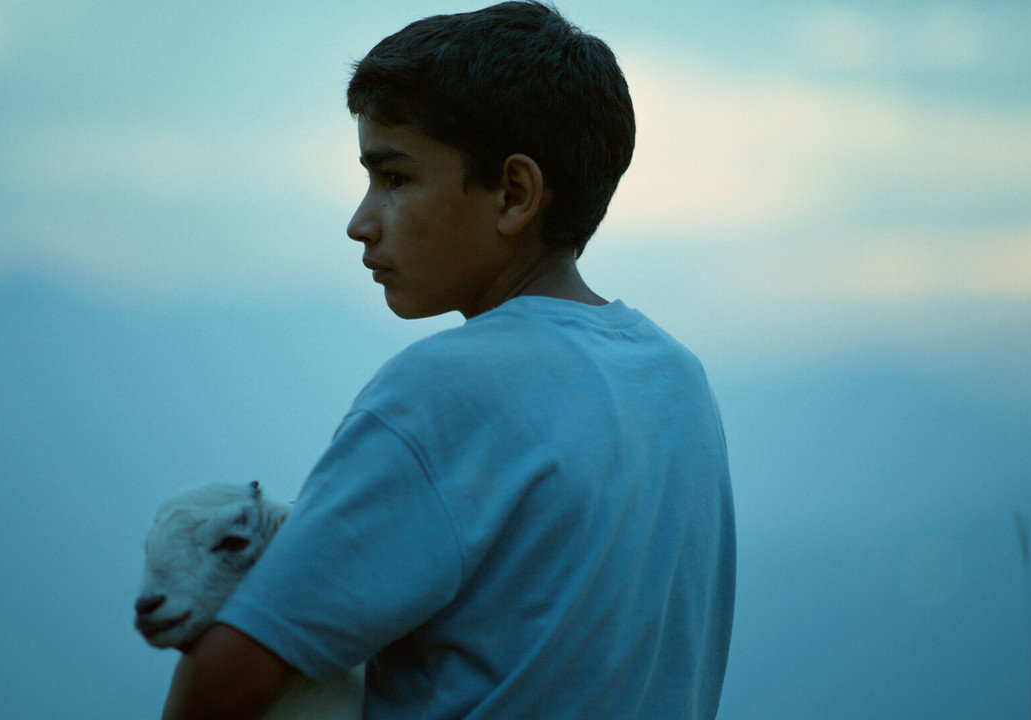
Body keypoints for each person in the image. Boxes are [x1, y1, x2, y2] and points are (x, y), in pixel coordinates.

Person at [162, 2, 735, 718]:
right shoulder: (677, 380)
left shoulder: (447, 388)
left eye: (395, 177)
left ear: (514, 194)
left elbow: (231, 678)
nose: (360, 221)